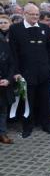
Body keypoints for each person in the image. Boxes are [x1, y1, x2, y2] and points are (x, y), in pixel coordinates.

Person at [9, 3, 50, 138]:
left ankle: (46, 124)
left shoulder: (45, 28)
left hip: (44, 72)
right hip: (25, 73)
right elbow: (13, 52)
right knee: (28, 100)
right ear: (25, 14)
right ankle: (27, 126)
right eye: (32, 14)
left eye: (37, 14)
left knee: (45, 99)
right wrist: (16, 71)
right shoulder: (15, 29)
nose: (35, 17)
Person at [0, 15, 15, 144]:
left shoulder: (5, 44)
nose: (2, 25)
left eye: (5, 22)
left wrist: (8, 79)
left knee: (3, 109)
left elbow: (11, 63)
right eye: (0, 23)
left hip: (4, 82)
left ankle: (2, 133)